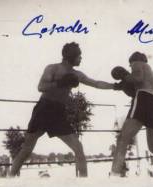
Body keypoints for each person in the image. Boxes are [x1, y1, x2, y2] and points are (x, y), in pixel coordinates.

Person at [10, 42, 114, 177]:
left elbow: (96, 83)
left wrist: (116, 86)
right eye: (79, 56)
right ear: (71, 56)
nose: (81, 58)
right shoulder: (52, 68)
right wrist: (60, 82)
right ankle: (10, 179)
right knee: (27, 149)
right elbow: (41, 87)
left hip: (58, 113)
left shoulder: (76, 74)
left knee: (78, 147)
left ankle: (84, 183)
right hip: (43, 109)